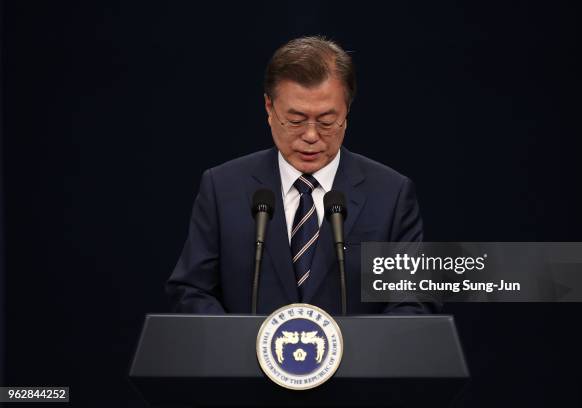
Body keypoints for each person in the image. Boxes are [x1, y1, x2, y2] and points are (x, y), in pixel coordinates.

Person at [166, 36, 435, 315]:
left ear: (347, 112)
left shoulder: (391, 194)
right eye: (295, 120)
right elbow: (191, 289)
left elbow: (413, 301)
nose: (310, 136)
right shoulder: (223, 187)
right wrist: (239, 347)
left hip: (360, 359)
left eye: (327, 121)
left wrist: (358, 352)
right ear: (269, 109)